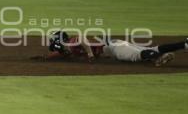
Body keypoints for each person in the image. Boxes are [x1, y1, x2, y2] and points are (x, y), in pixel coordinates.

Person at [44, 31, 188, 67]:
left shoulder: (71, 42)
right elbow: (61, 53)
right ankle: (184, 44)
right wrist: (46, 58)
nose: (52, 43)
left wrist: (89, 54)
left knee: (136, 56)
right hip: (113, 44)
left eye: (53, 40)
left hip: (113, 47)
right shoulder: (68, 47)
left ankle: (158, 59)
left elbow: (82, 38)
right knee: (153, 48)